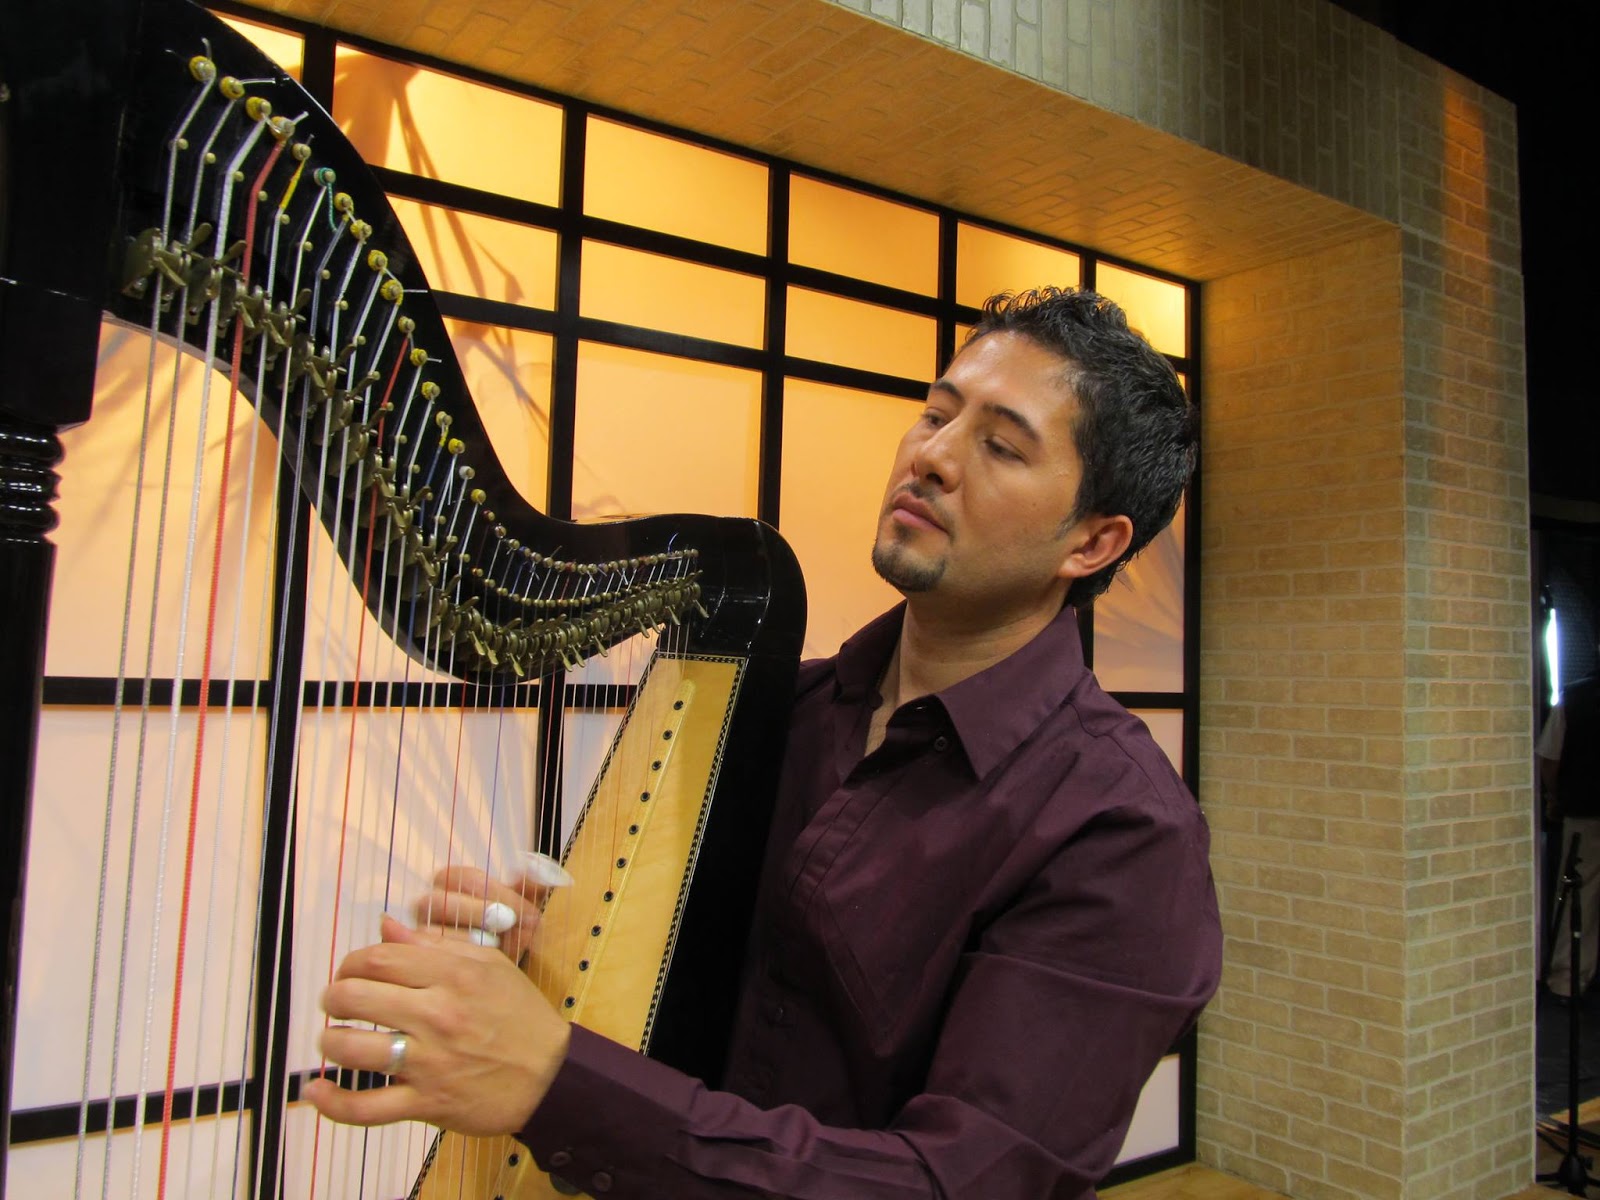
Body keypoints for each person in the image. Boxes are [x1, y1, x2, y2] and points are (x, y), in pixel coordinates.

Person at [304, 287, 1223, 1197]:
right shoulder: (783, 708)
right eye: (936, 414)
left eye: (1001, 446)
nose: (933, 456)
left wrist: (553, 1078)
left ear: (1091, 545)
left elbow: (959, 1185)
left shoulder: (1122, 833)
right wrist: (546, 960)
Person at [1541, 673, 1600, 998]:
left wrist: (1555, 798)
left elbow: (1550, 758)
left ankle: (1568, 980)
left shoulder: (1575, 697)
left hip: (1584, 810)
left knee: (1580, 894)